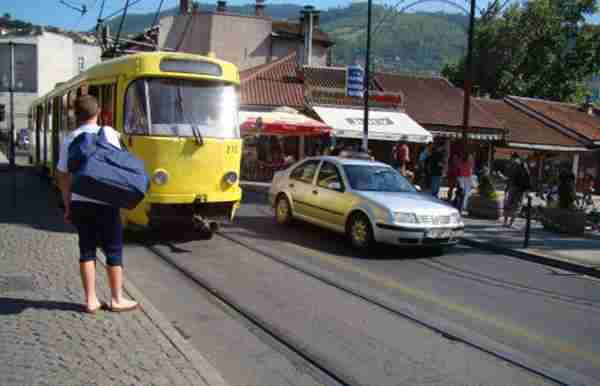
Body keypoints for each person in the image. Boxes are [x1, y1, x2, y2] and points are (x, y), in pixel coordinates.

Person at [56, 95, 139, 314]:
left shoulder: (69, 139)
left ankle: (91, 300)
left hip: (80, 202)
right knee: (113, 248)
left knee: (86, 249)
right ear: (99, 112)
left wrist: (67, 204)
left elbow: (62, 175)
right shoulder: (110, 133)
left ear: (75, 115)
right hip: (107, 200)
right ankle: (116, 298)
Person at [503, 154, 531, 227]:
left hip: (512, 187)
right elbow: (527, 178)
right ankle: (510, 223)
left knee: (508, 204)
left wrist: (507, 188)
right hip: (520, 189)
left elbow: (509, 178)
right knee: (516, 206)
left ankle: (505, 222)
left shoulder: (511, 165)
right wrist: (528, 189)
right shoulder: (524, 166)